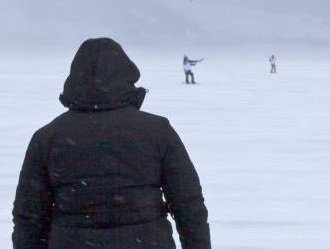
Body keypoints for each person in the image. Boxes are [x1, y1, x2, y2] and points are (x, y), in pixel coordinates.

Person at [13, 38, 210, 249]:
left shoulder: (47, 138)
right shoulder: (157, 131)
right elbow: (189, 206)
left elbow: (29, 217)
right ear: (127, 76)